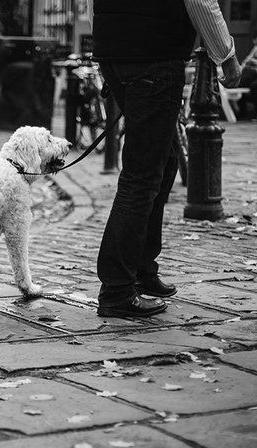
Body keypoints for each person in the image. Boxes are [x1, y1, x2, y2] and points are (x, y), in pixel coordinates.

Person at [90, 0, 241, 318]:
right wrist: (226, 55)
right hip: (153, 58)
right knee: (141, 175)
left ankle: (142, 267)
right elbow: (200, 1)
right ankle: (117, 289)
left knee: (167, 157)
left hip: (116, 52)